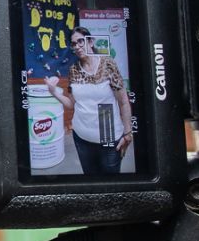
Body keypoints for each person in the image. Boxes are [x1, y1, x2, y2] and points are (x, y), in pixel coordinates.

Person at [44, 26, 133, 174]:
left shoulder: (108, 64)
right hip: (81, 137)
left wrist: (128, 133)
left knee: (110, 181)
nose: (78, 46)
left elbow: (123, 102)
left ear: (90, 42)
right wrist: (53, 92)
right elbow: (72, 104)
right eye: (74, 44)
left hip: (108, 134)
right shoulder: (73, 70)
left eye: (81, 41)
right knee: (90, 178)